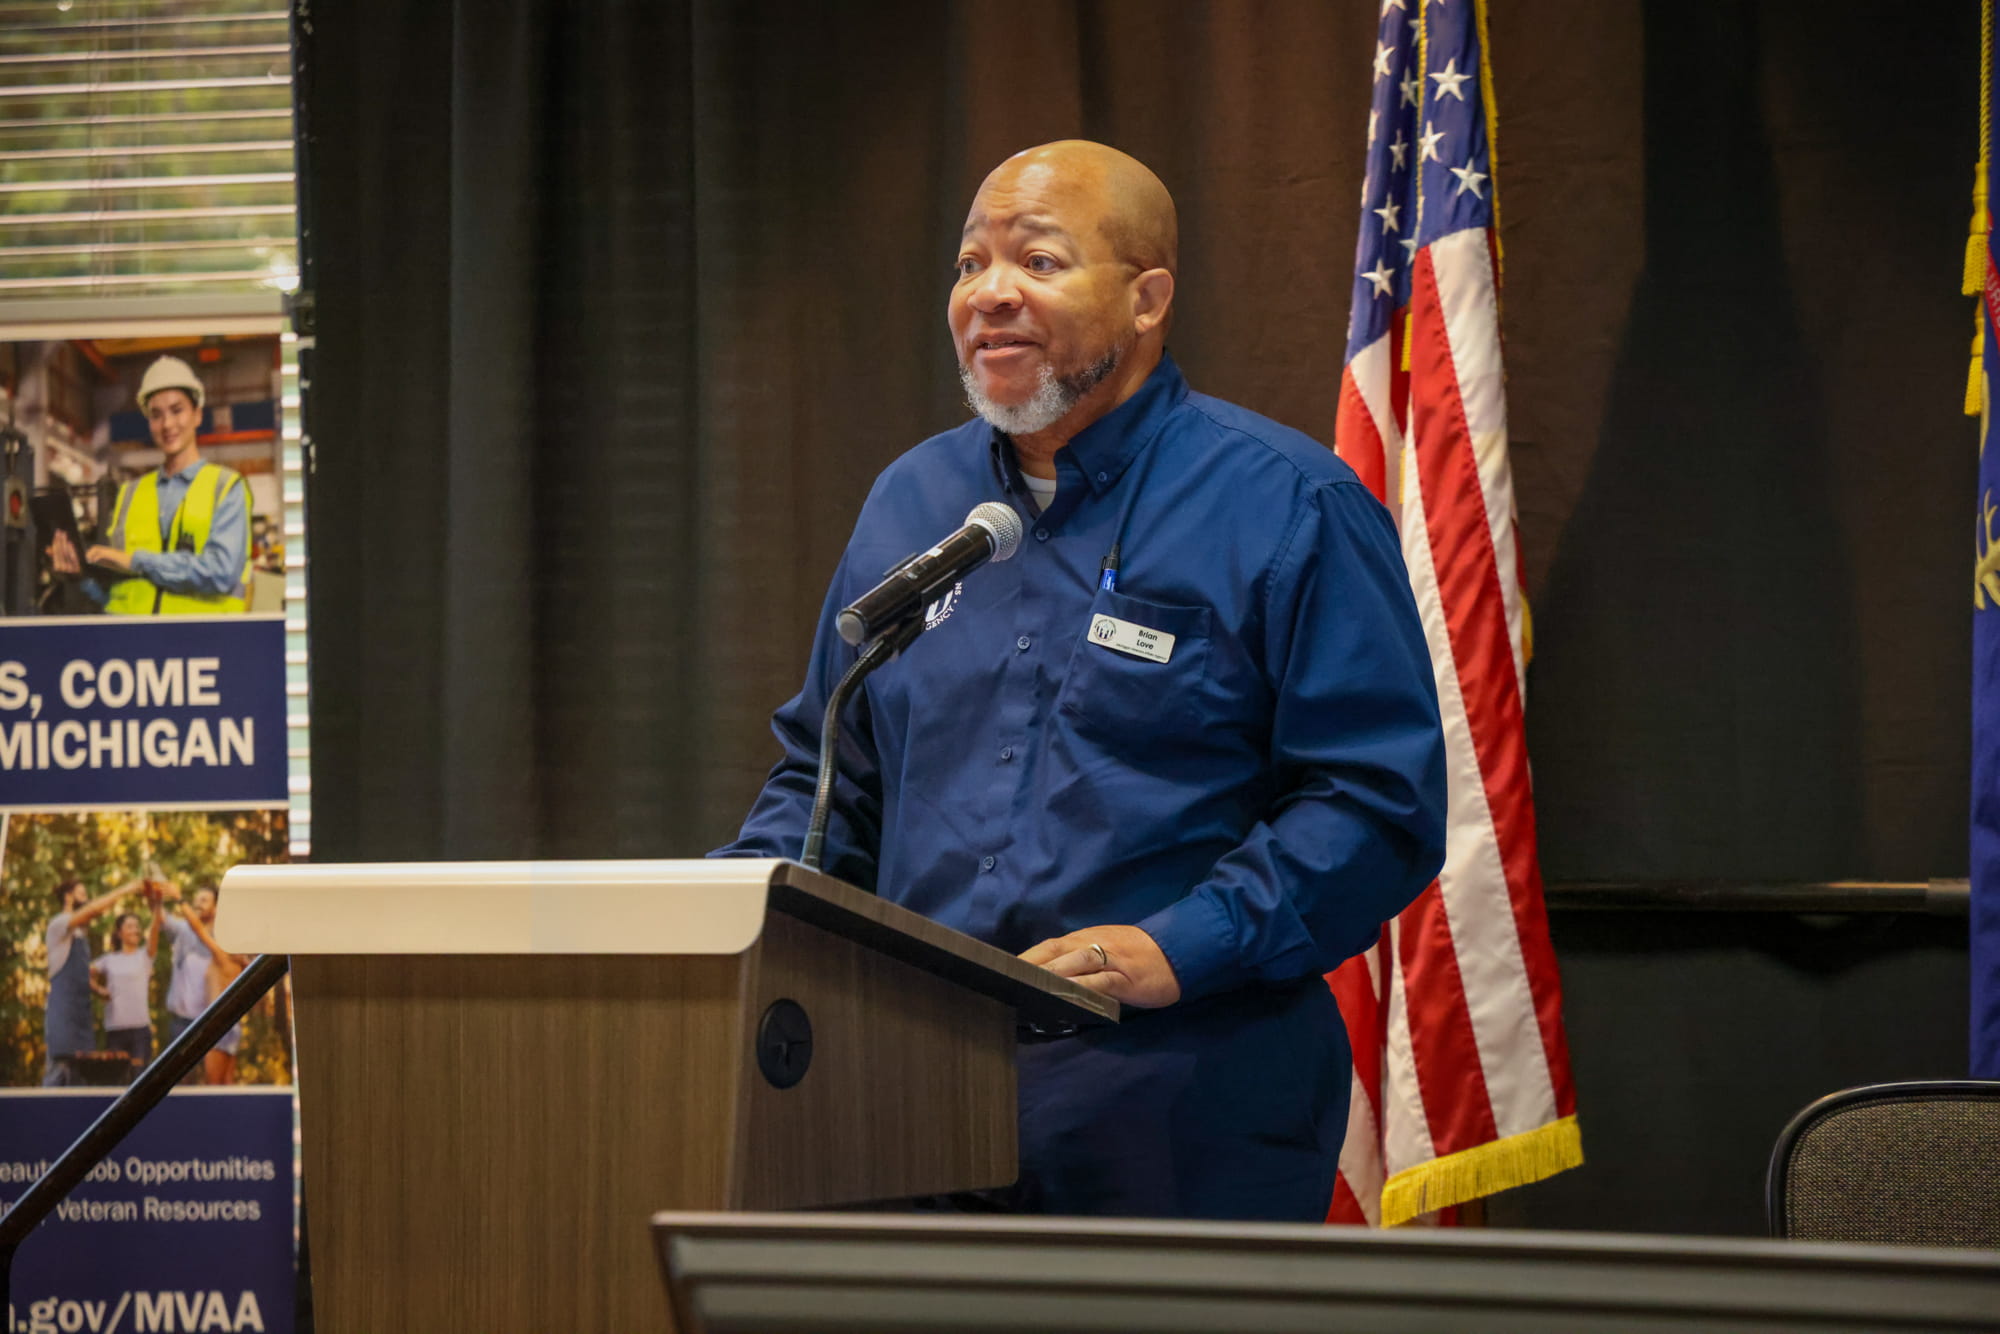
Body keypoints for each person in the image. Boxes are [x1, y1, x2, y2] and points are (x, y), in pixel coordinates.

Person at [717, 141, 1448, 1221]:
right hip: (903, 1093)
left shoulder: (1288, 503)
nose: (990, 294)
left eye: (1039, 262)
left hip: (1170, 1101)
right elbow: (828, 771)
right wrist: (721, 909)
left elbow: (1376, 803)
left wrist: (1177, 943)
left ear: (1145, 298)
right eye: (970, 265)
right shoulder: (912, 501)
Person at [47, 354, 254, 614]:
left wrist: (137, 561)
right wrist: (81, 577)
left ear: (197, 415)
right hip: (132, 645)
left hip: (201, 645)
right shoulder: (129, 494)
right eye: (156, 415)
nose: (167, 424)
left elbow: (221, 574)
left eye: (177, 410)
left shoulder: (226, 488)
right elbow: (117, 592)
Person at [42, 880, 129, 1086]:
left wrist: (98, 990)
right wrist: (127, 888)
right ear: (68, 897)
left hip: (81, 1014)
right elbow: (94, 910)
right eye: (82, 893)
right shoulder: (59, 924)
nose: (87, 899)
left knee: (80, 1077)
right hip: (63, 1015)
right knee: (58, 1073)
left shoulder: (81, 936)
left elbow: (80, 974)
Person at [157, 883, 245, 1083]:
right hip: (232, 1026)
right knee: (225, 1086)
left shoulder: (222, 957)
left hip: (219, 1027)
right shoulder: (235, 964)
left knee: (214, 1087)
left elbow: (198, 929)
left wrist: (180, 899)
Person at [91, 906, 161, 1083]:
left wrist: (157, 907)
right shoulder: (109, 959)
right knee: (115, 1082)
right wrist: (99, 990)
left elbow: (154, 931)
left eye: (137, 926)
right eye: (130, 926)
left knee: (140, 1082)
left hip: (140, 1032)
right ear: (119, 933)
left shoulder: (145, 957)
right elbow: (84, 973)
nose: (135, 930)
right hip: (115, 1031)